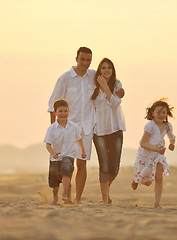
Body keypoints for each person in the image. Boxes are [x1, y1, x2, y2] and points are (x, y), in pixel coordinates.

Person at [48, 47, 124, 204]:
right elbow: (52, 105)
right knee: (67, 163)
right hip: (67, 128)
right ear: (76, 59)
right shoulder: (65, 78)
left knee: (82, 164)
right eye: (82, 59)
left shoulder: (93, 76)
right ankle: (65, 196)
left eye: (88, 60)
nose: (85, 63)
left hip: (88, 128)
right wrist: (54, 130)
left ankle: (77, 199)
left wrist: (121, 90)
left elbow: (111, 81)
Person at [91, 58, 126, 204]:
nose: (107, 71)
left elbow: (115, 103)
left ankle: (106, 192)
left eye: (109, 68)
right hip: (98, 130)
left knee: (115, 168)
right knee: (104, 165)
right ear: (99, 70)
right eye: (104, 68)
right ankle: (105, 198)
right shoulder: (92, 85)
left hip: (115, 129)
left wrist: (105, 86)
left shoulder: (117, 84)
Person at [131, 99, 176, 208]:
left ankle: (157, 203)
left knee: (159, 178)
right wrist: (155, 150)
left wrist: (171, 144)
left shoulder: (167, 126)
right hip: (147, 153)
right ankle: (137, 180)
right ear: (152, 113)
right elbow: (143, 143)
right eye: (158, 112)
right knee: (146, 181)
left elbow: (171, 137)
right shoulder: (150, 126)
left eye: (164, 113)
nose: (161, 115)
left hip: (159, 154)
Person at [44, 99, 86, 204]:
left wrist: (83, 150)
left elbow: (78, 139)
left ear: (69, 112)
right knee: (54, 180)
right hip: (55, 157)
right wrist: (53, 153)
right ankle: (55, 198)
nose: (63, 113)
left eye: (65, 111)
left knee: (67, 170)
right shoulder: (52, 129)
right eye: (60, 111)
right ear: (55, 113)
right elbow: (48, 145)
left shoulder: (74, 127)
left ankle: (65, 193)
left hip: (69, 155)